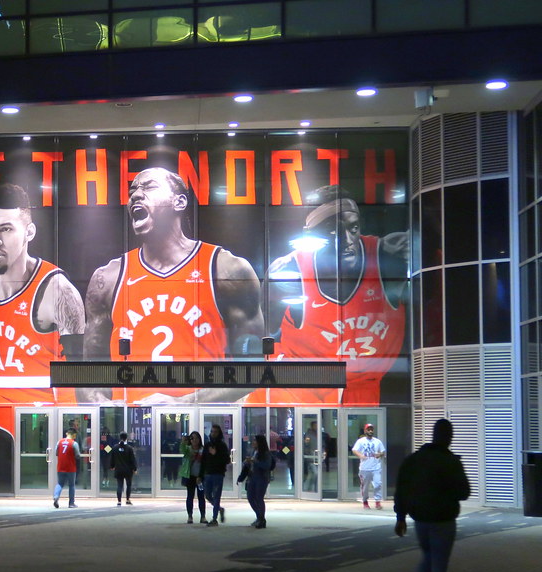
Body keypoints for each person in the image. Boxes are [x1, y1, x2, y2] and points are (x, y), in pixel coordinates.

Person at [81, 167, 264, 404]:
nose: (135, 195)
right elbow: (87, 372)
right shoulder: (108, 278)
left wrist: (184, 404)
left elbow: (252, 369)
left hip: (205, 424)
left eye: (148, 187)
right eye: (133, 190)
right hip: (133, 426)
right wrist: (105, 409)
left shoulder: (226, 269)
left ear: (179, 202)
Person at [0, 183, 85, 479]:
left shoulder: (57, 289)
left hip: (45, 409)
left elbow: (82, 368)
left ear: (29, 232)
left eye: (6, 229)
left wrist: (75, 423)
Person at [267, 185, 408, 405]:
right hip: (304, 386)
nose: (347, 239)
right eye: (333, 230)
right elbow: (265, 334)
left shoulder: (390, 254)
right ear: (311, 235)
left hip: (367, 383)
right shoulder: (289, 270)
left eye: (353, 229)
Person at [394, 419, 471, 572]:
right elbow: (464, 492)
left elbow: (401, 489)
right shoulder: (450, 462)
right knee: (439, 567)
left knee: (427, 559)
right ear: (449, 437)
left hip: (420, 519)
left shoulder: (414, 460)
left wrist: (400, 517)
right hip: (443, 520)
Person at [202, 424, 231, 527]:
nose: (213, 433)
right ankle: (219, 509)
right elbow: (203, 460)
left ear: (219, 433)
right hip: (208, 473)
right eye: (212, 431)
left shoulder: (222, 446)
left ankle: (214, 519)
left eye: (215, 432)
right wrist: (201, 474)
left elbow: (227, 460)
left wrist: (216, 454)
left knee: (217, 496)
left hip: (218, 474)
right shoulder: (207, 445)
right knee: (208, 495)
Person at [353, 423, 386, 509]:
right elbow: (354, 450)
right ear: (365, 431)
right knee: (365, 487)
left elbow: (383, 451)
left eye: (371, 429)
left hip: (376, 467)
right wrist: (360, 455)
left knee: (378, 484)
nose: (370, 431)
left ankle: (377, 502)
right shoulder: (361, 441)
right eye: (368, 429)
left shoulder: (377, 441)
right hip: (364, 468)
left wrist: (380, 454)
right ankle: (365, 501)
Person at [245, 434, 273, 528]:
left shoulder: (265, 453)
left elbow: (266, 466)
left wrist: (254, 461)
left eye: (255, 441)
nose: (253, 442)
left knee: (259, 498)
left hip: (261, 478)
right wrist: (248, 462)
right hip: (252, 477)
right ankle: (259, 517)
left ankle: (261, 519)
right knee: (250, 497)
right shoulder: (254, 451)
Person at [178, 431, 206, 523]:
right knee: (190, 496)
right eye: (192, 438)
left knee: (201, 496)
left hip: (200, 477)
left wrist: (201, 476)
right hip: (190, 476)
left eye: (196, 438)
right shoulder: (188, 449)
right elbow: (181, 449)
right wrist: (183, 441)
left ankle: (203, 516)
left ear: (200, 439)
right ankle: (190, 516)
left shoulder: (203, 449)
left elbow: (206, 463)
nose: (194, 440)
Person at [53, 428, 80, 508]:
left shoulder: (59, 442)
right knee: (71, 485)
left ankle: (56, 496)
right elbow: (77, 455)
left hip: (60, 466)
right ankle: (71, 503)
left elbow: (56, 453)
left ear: (66, 433)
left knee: (60, 483)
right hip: (71, 467)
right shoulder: (74, 443)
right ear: (74, 435)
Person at [110, 432, 137, 506]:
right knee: (128, 485)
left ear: (120, 437)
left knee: (119, 485)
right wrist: (135, 469)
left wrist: (112, 466)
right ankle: (127, 500)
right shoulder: (129, 448)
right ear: (126, 438)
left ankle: (119, 501)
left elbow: (112, 459)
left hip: (118, 470)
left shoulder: (115, 447)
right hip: (128, 470)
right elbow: (132, 460)